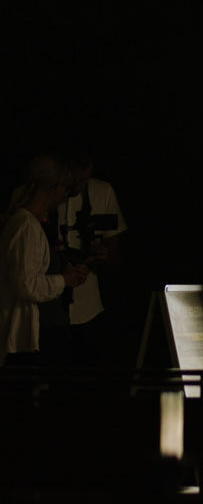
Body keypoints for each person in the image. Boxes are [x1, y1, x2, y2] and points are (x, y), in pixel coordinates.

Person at [3, 157, 91, 367]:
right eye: (64, 188)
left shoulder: (26, 223)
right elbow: (27, 284)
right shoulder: (26, 226)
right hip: (34, 342)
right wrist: (65, 280)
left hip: (41, 335)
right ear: (53, 188)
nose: (64, 195)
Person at [50, 149, 127, 370]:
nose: (78, 187)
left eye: (84, 180)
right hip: (48, 306)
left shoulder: (102, 191)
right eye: (74, 181)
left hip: (89, 308)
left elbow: (116, 258)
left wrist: (103, 256)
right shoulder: (47, 194)